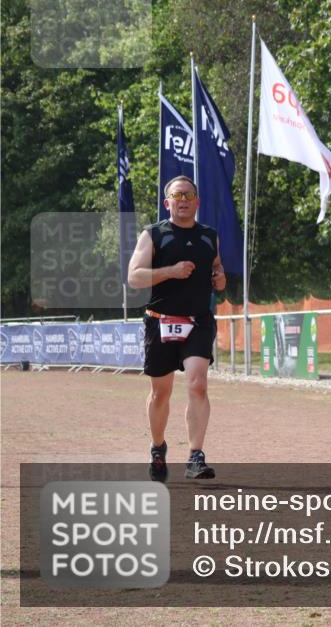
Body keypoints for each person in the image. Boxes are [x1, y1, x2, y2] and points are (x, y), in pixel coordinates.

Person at [127, 176, 226, 482]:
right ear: (167, 202)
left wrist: (219, 278)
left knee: (197, 384)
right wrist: (170, 271)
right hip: (160, 320)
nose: (183, 200)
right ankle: (158, 448)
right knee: (160, 393)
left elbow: (217, 268)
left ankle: (196, 456)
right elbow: (134, 277)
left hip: (198, 321)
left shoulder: (210, 236)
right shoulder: (154, 234)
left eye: (189, 195)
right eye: (177, 195)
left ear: (197, 202)